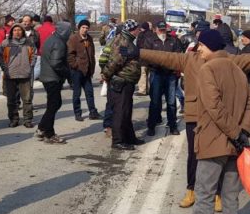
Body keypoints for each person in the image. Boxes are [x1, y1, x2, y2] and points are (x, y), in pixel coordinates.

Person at [140, 22, 250, 208]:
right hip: (195, 115)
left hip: (215, 118)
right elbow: (163, 56)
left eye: (202, 44)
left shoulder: (227, 60)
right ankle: (191, 190)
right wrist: (138, 53)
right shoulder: (189, 59)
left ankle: (217, 194)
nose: (199, 47)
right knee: (193, 155)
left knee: (217, 156)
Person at [174, 30, 250, 214]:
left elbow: (214, 107)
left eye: (201, 45)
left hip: (213, 143)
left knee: (205, 198)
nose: (198, 49)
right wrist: (243, 132)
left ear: (210, 46)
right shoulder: (238, 71)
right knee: (231, 198)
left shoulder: (207, 70)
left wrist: (234, 133)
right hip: (235, 146)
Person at [102, 19, 145, 150]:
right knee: (120, 112)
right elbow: (115, 61)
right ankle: (118, 141)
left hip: (127, 82)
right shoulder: (124, 42)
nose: (139, 30)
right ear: (133, 29)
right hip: (121, 82)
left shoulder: (127, 39)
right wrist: (106, 75)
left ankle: (129, 137)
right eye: (137, 28)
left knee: (126, 111)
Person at [144, 21, 183, 136]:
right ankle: (151, 125)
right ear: (156, 29)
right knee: (155, 101)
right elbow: (146, 56)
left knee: (171, 102)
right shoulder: (150, 41)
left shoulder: (173, 41)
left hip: (170, 75)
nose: (162, 32)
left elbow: (178, 56)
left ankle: (172, 126)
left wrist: (175, 68)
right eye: (160, 30)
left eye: (164, 30)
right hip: (156, 74)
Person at [37, 22, 72, 144]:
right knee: (54, 104)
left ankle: (42, 127)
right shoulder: (59, 43)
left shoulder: (51, 39)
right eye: (69, 31)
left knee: (54, 104)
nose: (70, 33)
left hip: (47, 76)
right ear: (64, 31)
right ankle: (49, 133)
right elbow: (56, 63)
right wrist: (68, 73)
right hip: (53, 78)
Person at [0, 23, 35, 128]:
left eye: (19, 30)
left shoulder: (29, 42)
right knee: (11, 100)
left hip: (25, 74)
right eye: (15, 30)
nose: (17, 32)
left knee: (27, 99)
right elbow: (0, 57)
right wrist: (5, 68)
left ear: (23, 31)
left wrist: (30, 66)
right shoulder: (5, 43)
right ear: (11, 32)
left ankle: (27, 119)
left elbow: (34, 55)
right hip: (10, 75)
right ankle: (14, 119)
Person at [67, 19, 101, 122]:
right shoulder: (73, 39)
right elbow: (70, 55)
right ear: (79, 28)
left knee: (89, 92)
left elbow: (92, 54)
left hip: (87, 70)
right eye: (83, 27)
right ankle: (78, 113)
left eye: (87, 28)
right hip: (77, 71)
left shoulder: (89, 39)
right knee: (77, 93)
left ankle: (93, 112)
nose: (85, 30)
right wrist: (75, 65)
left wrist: (92, 68)